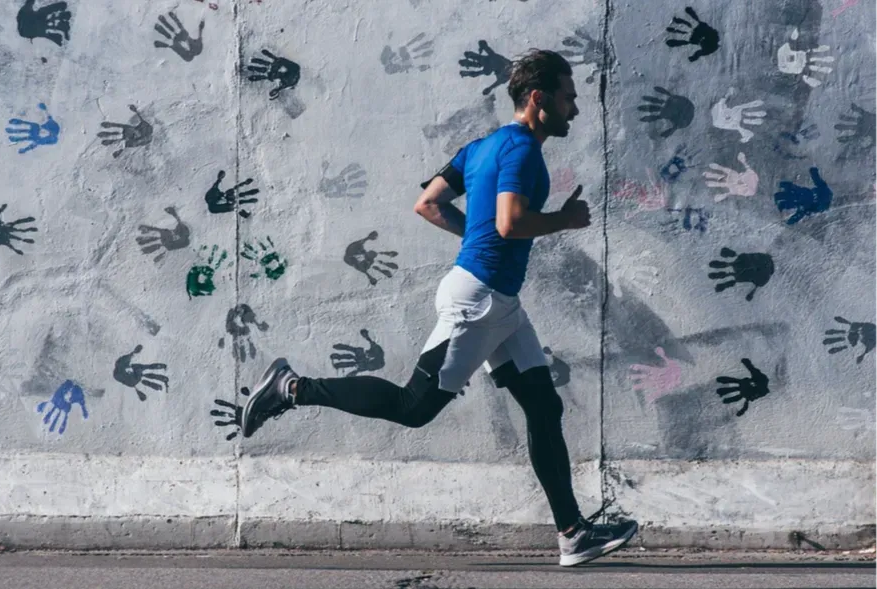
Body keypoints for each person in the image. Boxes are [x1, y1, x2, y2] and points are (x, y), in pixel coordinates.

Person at [241, 48, 638, 566]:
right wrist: (563, 220)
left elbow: (428, 203)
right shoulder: (521, 151)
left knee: (544, 405)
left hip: (500, 303)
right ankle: (291, 388)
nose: (576, 110)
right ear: (538, 99)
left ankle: (572, 534)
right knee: (415, 408)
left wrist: (477, 240)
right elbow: (509, 224)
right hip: (478, 302)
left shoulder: (479, 147)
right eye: (568, 99)